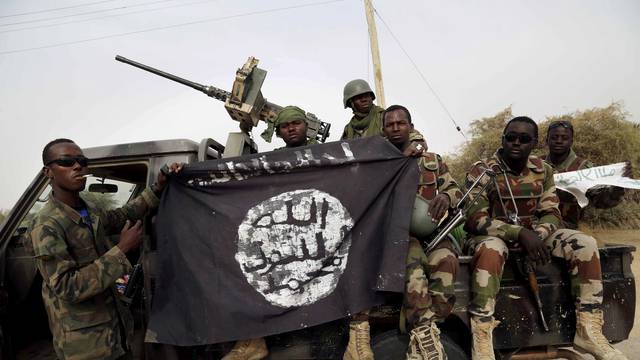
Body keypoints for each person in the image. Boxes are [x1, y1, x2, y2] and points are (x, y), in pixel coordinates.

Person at [463, 117, 628, 360]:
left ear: (535, 143)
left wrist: (538, 235)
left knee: (585, 243)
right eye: (511, 137)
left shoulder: (543, 170)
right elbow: (474, 219)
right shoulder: (483, 170)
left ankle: (589, 330)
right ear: (503, 139)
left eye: (524, 139)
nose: (516, 143)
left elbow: (551, 212)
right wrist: (519, 233)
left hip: (536, 235)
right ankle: (482, 338)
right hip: (493, 236)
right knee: (491, 250)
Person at [30, 138, 182, 360]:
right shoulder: (46, 225)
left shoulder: (88, 210)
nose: (77, 166)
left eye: (82, 160)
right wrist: (121, 250)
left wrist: (158, 186)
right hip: (85, 345)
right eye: (66, 161)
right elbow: (67, 287)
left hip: (115, 330)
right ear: (48, 172)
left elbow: (124, 215)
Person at [221, 106, 315, 360]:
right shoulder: (273, 160)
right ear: (279, 131)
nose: (292, 128)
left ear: (306, 125)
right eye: (285, 126)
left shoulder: (324, 153)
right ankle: (253, 338)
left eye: (296, 123)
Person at [382, 105, 463, 360]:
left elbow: (454, 189)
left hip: (434, 232)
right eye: (390, 124)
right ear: (383, 130)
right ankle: (424, 333)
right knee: (413, 263)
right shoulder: (380, 162)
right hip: (399, 235)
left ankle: (430, 328)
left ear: (410, 125)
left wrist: (446, 197)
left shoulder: (432, 160)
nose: (396, 128)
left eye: (401, 123)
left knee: (447, 261)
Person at [541, 120, 633, 229]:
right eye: (554, 137)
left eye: (564, 138)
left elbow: (600, 201)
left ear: (571, 141)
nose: (559, 141)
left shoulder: (584, 169)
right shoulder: (536, 165)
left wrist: (617, 188)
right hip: (535, 227)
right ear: (547, 140)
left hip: (567, 230)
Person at [341, 79, 426, 157]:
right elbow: (340, 151)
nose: (364, 100)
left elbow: (419, 141)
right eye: (359, 97)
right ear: (350, 102)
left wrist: (417, 146)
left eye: (367, 96)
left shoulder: (385, 118)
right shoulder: (349, 129)